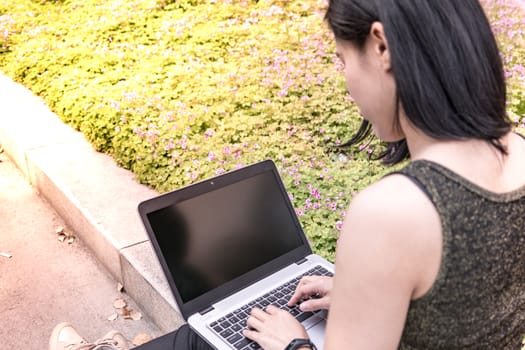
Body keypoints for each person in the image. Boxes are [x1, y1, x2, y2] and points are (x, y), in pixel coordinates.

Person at [51, 0, 525, 349]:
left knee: (224, 337)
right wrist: (368, 293)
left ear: (381, 46)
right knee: (199, 338)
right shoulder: (518, 151)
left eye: (341, 60)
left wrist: (293, 345)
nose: (345, 84)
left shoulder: (397, 211)